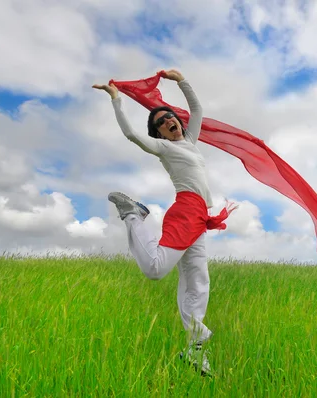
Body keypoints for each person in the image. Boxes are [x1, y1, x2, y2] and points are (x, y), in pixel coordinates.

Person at [93, 69, 228, 376]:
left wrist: (181, 81)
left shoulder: (190, 142)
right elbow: (130, 134)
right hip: (185, 213)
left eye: (170, 118)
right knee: (156, 270)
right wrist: (116, 100)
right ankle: (133, 215)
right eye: (161, 124)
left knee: (198, 282)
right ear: (160, 135)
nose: (169, 122)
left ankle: (195, 351)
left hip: (200, 218)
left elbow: (197, 110)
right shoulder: (165, 148)